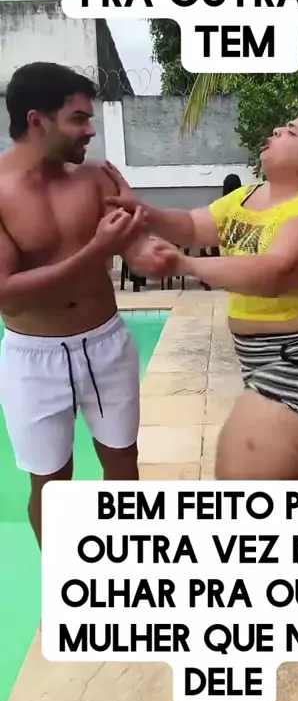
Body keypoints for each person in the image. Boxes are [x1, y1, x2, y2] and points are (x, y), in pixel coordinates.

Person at [106, 110, 298, 481]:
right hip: (264, 357)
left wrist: (186, 265)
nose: (276, 129)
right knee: (272, 476)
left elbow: (274, 273)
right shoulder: (249, 196)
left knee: (241, 473)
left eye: (290, 131)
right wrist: (141, 209)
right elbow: (193, 227)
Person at [0, 62, 168, 545]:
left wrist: (141, 226)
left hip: (105, 344)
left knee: (123, 462)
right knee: (52, 483)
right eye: (78, 119)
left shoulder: (96, 178)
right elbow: (6, 292)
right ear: (37, 121)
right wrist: (96, 250)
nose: (91, 130)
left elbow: (141, 256)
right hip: (34, 358)